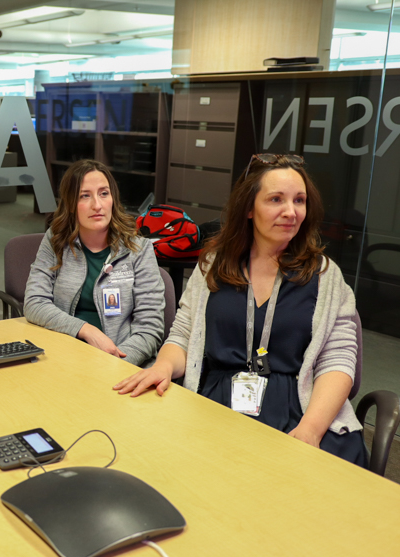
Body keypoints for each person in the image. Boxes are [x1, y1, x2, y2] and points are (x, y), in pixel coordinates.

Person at [114, 154, 367, 466]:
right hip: (215, 407)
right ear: (249, 208)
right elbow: (182, 335)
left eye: (299, 200)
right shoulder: (212, 265)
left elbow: (338, 361)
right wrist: (163, 367)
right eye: (276, 199)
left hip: (300, 410)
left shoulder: (326, 276)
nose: (291, 212)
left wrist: (311, 430)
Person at [23, 160, 165, 367]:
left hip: (123, 361)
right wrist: (86, 330)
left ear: (113, 199)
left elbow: (150, 329)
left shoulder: (139, 249)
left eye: (103, 193)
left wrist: (114, 363)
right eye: (84, 196)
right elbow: (35, 302)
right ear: (71, 204)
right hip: (65, 357)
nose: (97, 205)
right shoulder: (55, 241)